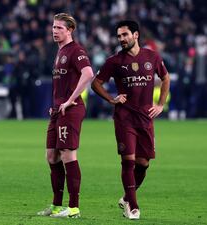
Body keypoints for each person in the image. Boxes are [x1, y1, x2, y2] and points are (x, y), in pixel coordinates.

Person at [91, 20, 170, 220]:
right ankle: (133, 207)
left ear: (136, 35)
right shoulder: (114, 61)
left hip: (145, 117)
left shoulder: (152, 57)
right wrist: (111, 99)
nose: (121, 39)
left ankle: (127, 197)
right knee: (128, 161)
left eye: (125, 34)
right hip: (124, 117)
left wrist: (160, 104)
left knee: (143, 164)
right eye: (119, 36)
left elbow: (165, 77)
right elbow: (96, 83)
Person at [37, 13, 94, 218]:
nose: (54, 31)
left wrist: (70, 100)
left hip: (71, 110)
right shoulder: (60, 51)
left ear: (69, 30)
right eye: (53, 27)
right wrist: (55, 104)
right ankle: (56, 205)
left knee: (68, 154)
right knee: (51, 156)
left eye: (59, 28)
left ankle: (73, 208)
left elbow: (88, 73)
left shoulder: (76, 50)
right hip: (57, 110)